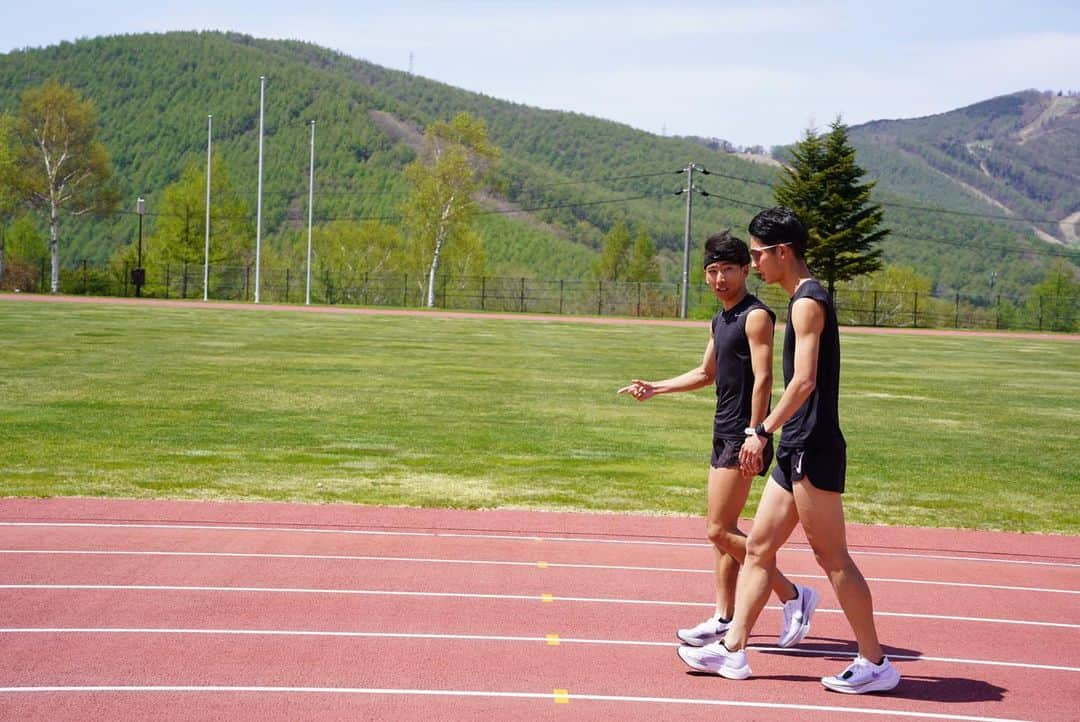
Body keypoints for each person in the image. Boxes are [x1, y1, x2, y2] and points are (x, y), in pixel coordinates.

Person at [677, 207, 900, 694]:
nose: (754, 264)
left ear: (783, 252)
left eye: (757, 255)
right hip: (794, 446)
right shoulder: (799, 298)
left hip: (812, 446)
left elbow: (803, 381)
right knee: (757, 547)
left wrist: (761, 429)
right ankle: (732, 650)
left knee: (833, 557)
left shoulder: (807, 302)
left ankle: (876, 661)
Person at [618, 230, 816, 652]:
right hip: (721, 430)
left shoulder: (755, 315)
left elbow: (764, 377)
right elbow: (705, 374)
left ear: (746, 270)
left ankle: (793, 596)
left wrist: (755, 432)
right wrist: (655, 388)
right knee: (723, 529)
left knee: (717, 531)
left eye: (728, 269)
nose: (720, 278)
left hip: (742, 435)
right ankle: (724, 616)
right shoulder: (720, 318)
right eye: (712, 271)